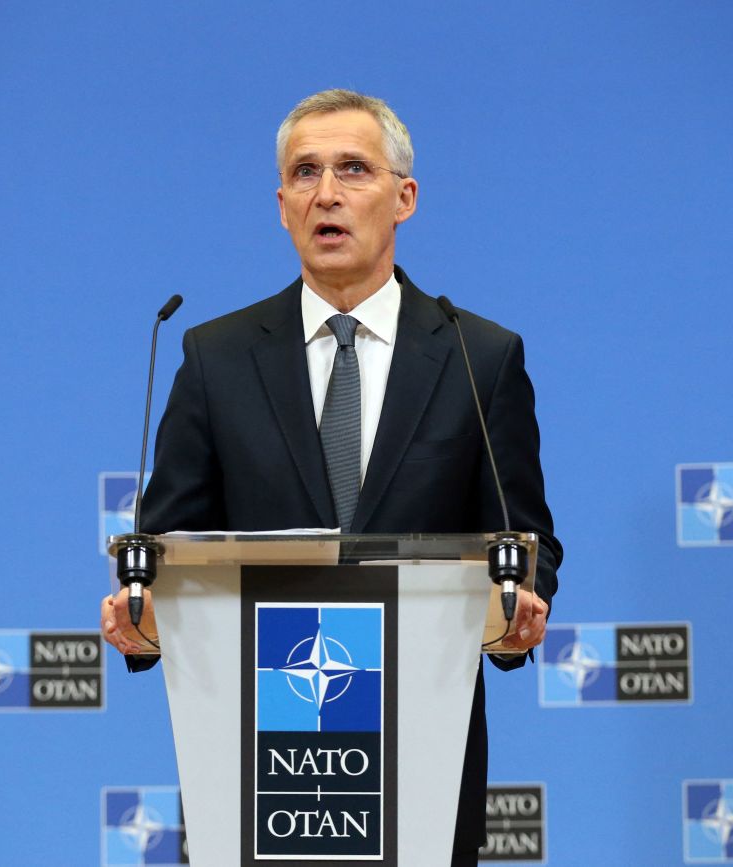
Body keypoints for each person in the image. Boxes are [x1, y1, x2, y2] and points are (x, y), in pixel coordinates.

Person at [101, 88, 562, 867]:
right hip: (255, 744)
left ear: (403, 198)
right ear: (282, 205)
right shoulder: (215, 358)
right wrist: (143, 617)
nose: (327, 193)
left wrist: (519, 603)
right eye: (305, 172)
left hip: (422, 734)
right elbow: (166, 541)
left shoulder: (478, 356)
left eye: (354, 169)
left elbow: (525, 534)